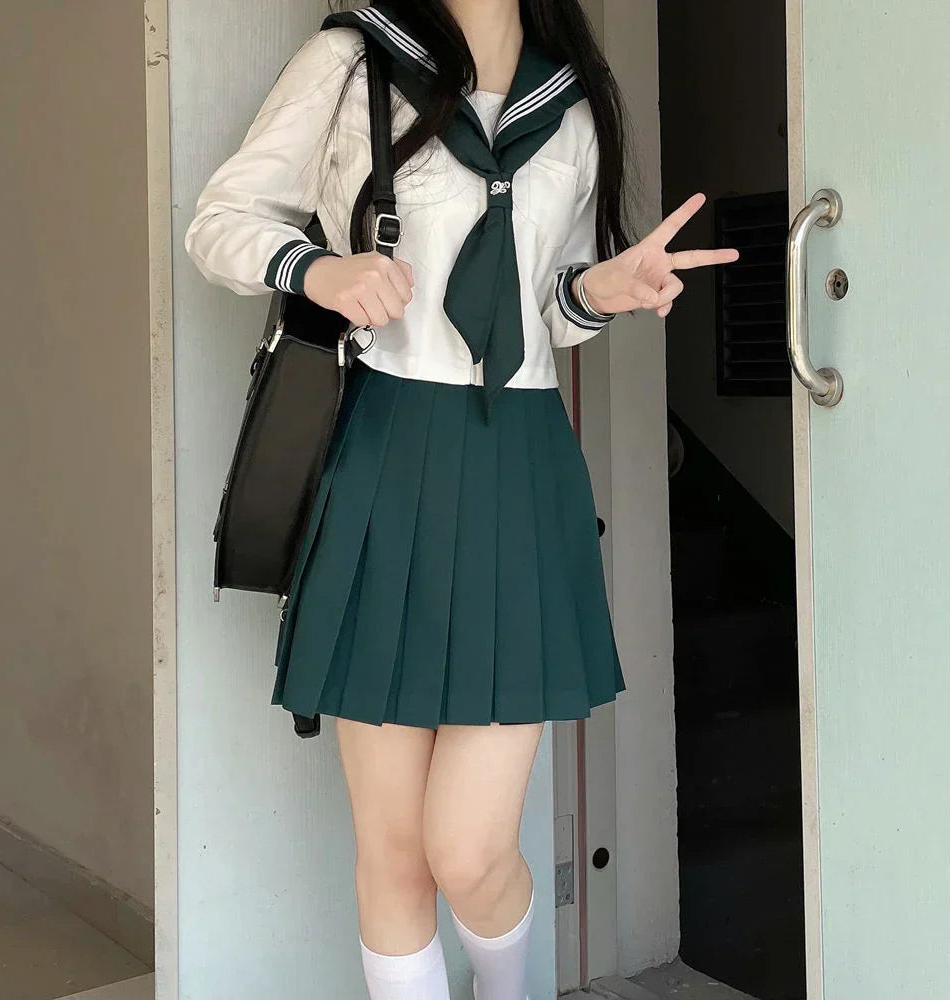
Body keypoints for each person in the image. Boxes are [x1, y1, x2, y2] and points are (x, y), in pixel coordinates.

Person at [185, 2, 737, 997]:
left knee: (469, 852)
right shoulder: (352, 60)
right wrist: (319, 269)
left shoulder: (572, 98)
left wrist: (599, 292)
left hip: (519, 465)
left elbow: (546, 306)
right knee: (396, 855)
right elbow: (219, 222)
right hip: (384, 456)